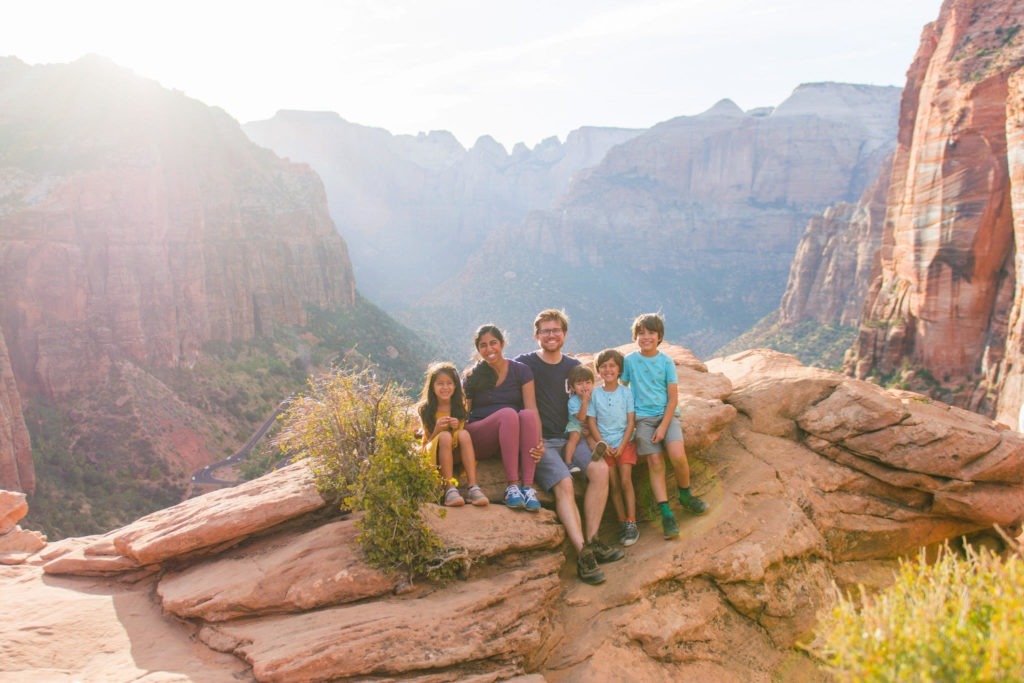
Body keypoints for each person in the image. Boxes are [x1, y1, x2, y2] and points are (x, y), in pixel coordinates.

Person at [515, 309, 623, 585]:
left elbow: (589, 402)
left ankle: (593, 539)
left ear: (564, 333)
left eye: (556, 330)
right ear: (536, 335)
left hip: (571, 436)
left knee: (600, 470)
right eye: (546, 330)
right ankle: (582, 554)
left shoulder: (574, 367)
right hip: (542, 442)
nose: (551, 335)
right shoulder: (525, 365)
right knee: (564, 483)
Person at [621, 313, 708, 540]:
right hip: (642, 419)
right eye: (641, 333)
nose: (646, 337)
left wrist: (663, 426)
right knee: (655, 461)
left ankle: (686, 496)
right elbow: (623, 388)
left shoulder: (666, 362)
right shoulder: (629, 361)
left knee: (677, 455)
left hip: (666, 416)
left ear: (659, 336)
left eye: (651, 333)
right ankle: (666, 512)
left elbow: (672, 398)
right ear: (635, 336)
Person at [463, 324, 543, 512]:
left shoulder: (521, 371)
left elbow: (532, 407)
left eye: (493, 343)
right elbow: (465, 413)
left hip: (509, 435)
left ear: (502, 343)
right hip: (481, 435)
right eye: (483, 345)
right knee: (508, 413)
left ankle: (528, 488)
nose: (489, 349)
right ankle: (512, 485)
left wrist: (539, 440)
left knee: (527, 415)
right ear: (478, 349)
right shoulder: (472, 376)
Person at [417, 362, 489, 507]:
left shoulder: (459, 407)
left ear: (455, 386)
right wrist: (437, 429)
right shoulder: (426, 409)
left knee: (463, 434)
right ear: (432, 386)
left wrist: (457, 427)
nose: (445, 388)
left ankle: (473, 487)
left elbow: (458, 438)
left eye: (449, 383)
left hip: (453, 451)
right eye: (440, 384)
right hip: (433, 453)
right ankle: (449, 489)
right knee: (444, 436)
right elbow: (427, 442)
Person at [586, 349, 638, 546]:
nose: (608, 370)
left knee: (626, 481)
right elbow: (591, 422)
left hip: (625, 443)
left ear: (619, 369)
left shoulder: (626, 392)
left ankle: (632, 522)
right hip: (605, 446)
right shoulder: (595, 395)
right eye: (603, 366)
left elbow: (631, 421)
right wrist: (603, 444)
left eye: (612, 366)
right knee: (614, 485)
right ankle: (622, 522)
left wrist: (623, 444)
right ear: (598, 370)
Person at [564, 364, 607, 474]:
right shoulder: (573, 401)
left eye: (588, 383)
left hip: (590, 425)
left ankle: (596, 455)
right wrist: (584, 401)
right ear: (572, 387)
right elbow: (581, 417)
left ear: (593, 384)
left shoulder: (595, 397)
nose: (584, 387)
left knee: (592, 440)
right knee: (575, 436)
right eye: (579, 384)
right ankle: (568, 462)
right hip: (575, 425)